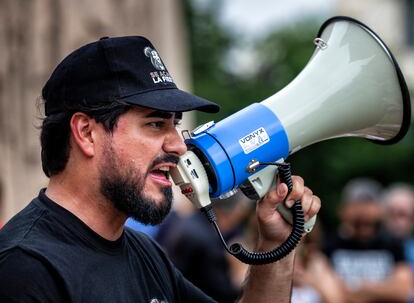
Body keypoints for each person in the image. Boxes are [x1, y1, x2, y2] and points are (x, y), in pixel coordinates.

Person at [0, 36, 320, 302]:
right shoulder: (24, 269)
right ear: (86, 133)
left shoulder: (146, 254)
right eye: (155, 124)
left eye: (175, 125)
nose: (178, 145)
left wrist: (277, 247)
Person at [323, 178, 413, 302]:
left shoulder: (392, 244)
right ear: (344, 211)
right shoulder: (329, 245)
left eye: (369, 204)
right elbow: (328, 292)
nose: (364, 211)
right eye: (357, 204)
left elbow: (402, 290)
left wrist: (356, 290)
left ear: (380, 211)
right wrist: (383, 290)